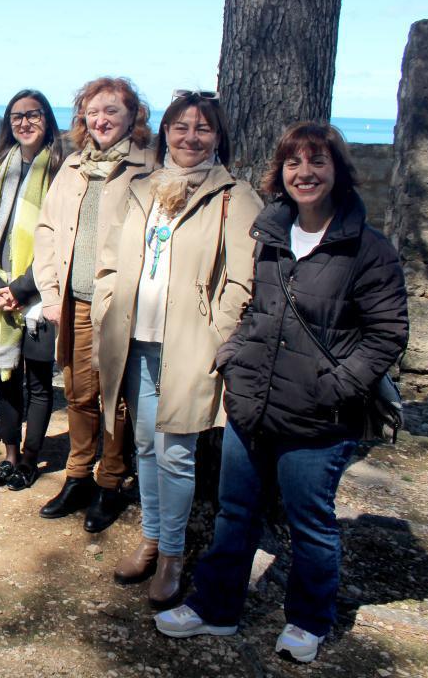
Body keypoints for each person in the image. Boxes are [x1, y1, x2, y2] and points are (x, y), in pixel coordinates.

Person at [156, 122, 408, 663]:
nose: (305, 173)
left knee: (310, 525)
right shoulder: (273, 234)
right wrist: (233, 357)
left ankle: (308, 621)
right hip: (253, 403)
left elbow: (387, 334)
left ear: (338, 170)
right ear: (282, 173)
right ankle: (216, 609)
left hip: (320, 417)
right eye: (294, 163)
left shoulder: (368, 249)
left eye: (318, 162)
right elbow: (257, 309)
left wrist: (335, 387)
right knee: (234, 513)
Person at [93, 90, 261, 607]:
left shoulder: (234, 194)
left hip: (188, 347)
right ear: (165, 132)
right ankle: (150, 537)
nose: (191, 138)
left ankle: (171, 555)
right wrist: (105, 305)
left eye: (203, 129)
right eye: (181, 127)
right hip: (135, 338)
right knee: (143, 445)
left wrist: (217, 332)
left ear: (218, 137)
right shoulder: (139, 187)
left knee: (177, 455)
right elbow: (108, 259)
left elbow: (242, 278)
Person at [33, 76, 154, 533]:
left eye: (112, 111)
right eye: (93, 112)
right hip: (74, 302)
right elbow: (47, 231)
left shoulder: (148, 168)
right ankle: (78, 475)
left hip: (122, 306)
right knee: (79, 395)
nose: (102, 120)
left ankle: (111, 480)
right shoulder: (72, 168)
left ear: (132, 117)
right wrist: (48, 292)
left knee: (116, 400)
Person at [0, 89, 62, 489]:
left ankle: (31, 461)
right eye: (17, 116)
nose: (25, 122)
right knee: (5, 376)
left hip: (39, 293)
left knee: (38, 381)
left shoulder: (59, 169)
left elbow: (59, 240)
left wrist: (20, 288)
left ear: (47, 119)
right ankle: (10, 454)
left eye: (33, 115)